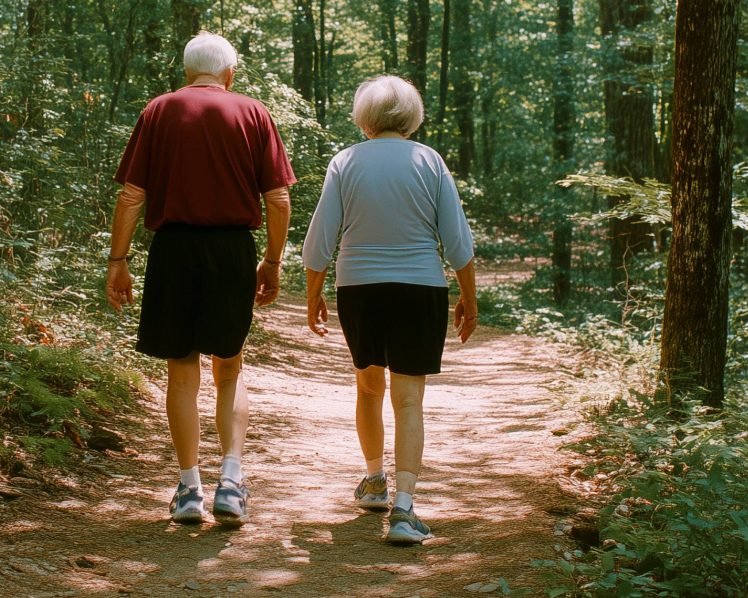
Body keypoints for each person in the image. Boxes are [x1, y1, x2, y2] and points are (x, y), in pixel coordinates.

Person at [105, 32, 295, 527]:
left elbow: (131, 196)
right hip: (232, 249)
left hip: (174, 250)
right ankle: (231, 482)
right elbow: (278, 200)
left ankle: (189, 489)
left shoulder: (159, 111)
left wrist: (117, 260)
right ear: (229, 73)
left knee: (181, 369)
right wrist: (272, 262)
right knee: (229, 368)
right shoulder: (254, 113)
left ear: (187, 72)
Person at [302, 75, 477, 545]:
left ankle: (374, 479)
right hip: (419, 287)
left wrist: (312, 292)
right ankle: (404, 507)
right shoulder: (429, 161)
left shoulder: (345, 161)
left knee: (367, 386)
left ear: (366, 116)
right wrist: (469, 298)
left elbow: (321, 239)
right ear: (411, 114)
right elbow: (457, 240)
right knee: (409, 398)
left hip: (359, 288)